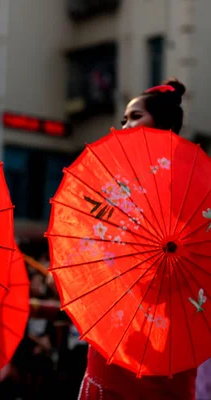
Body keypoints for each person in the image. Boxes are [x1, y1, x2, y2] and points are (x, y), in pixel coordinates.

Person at [79, 78, 197, 400]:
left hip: (168, 333)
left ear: (161, 124)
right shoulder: (118, 188)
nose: (123, 127)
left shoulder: (191, 185)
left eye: (134, 117)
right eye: (123, 120)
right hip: (116, 330)